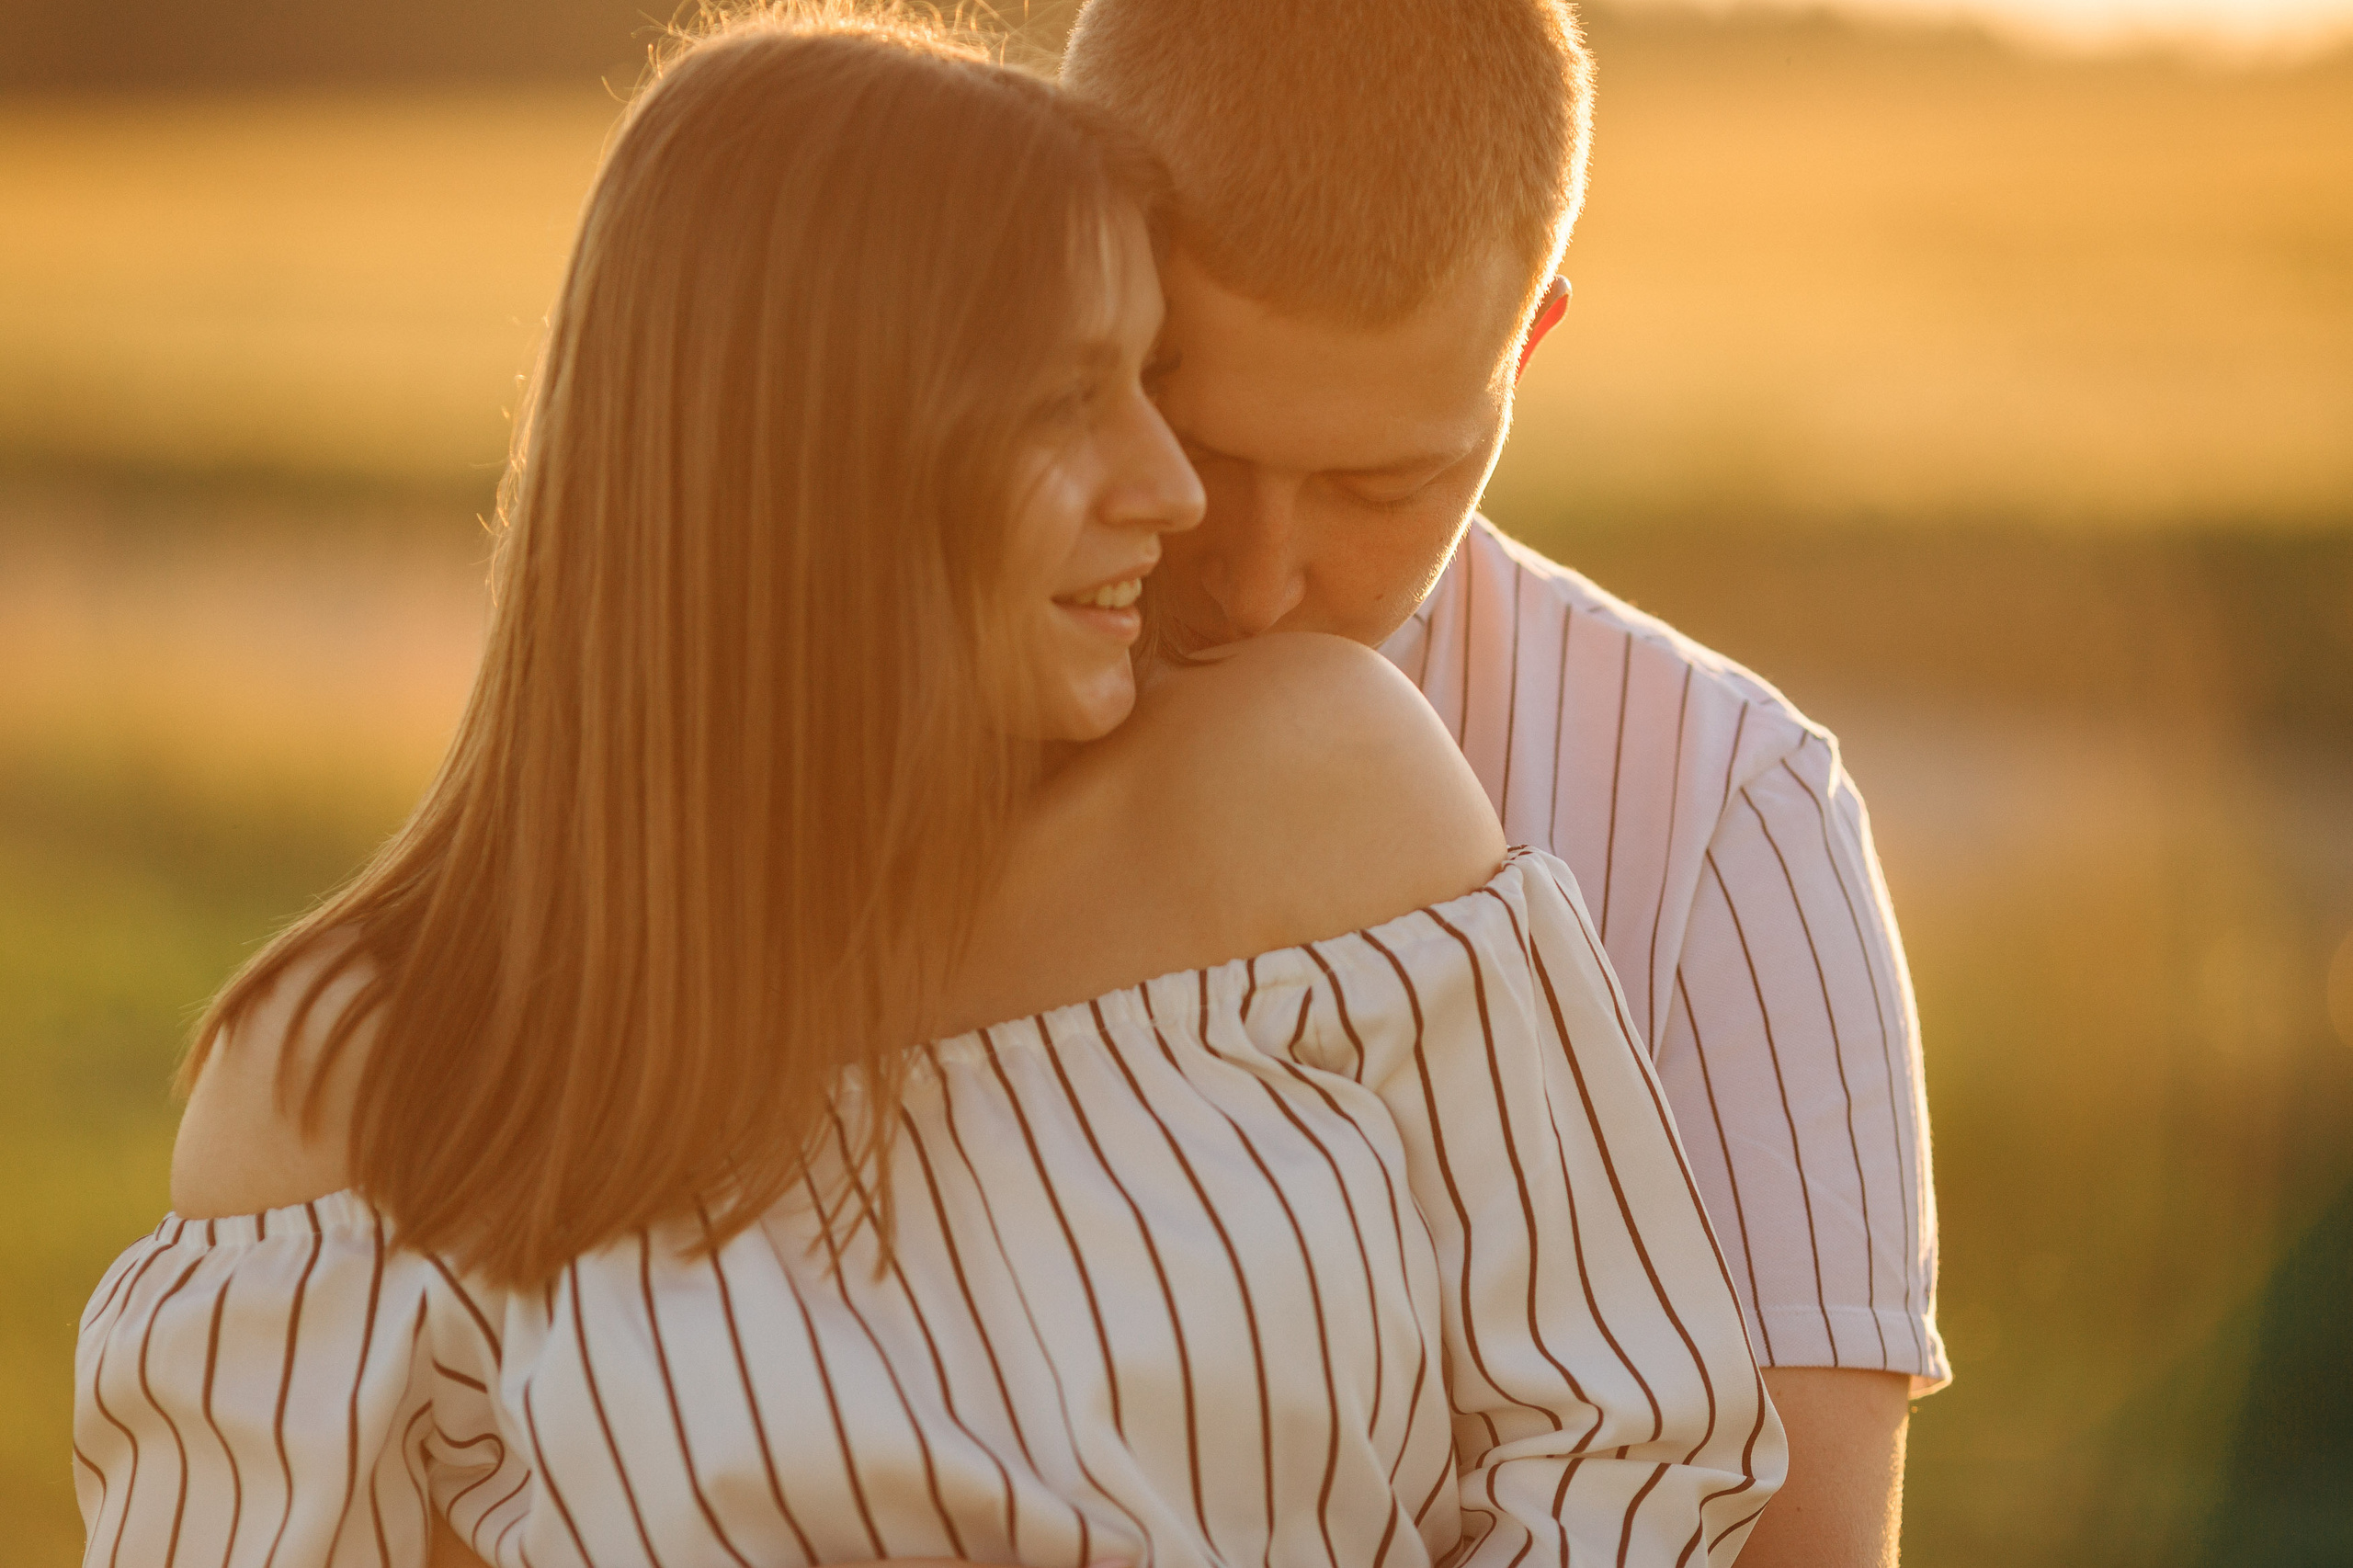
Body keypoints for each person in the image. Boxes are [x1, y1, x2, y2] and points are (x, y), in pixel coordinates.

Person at [74, 9, 1781, 1567]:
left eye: (1150, 379)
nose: (1173, 489)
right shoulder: (349, 1086)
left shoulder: (1321, 796)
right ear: (811, 455)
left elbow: (1639, 1449)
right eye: (1075, 401)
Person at [1056, 2, 1949, 1564]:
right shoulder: (826, 727)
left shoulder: (1720, 827)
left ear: (1528, 338)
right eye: (1198, 448)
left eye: (1383, 482)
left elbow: (1796, 1542)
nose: (1262, 582)